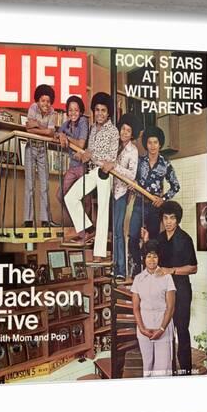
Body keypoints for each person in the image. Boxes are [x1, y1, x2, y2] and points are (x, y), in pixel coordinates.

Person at [142, 200, 198, 375]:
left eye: (172, 218)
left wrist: (171, 270)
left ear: (177, 219)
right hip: (163, 293)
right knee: (165, 332)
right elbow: (149, 257)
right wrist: (145, 241)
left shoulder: (185, 239)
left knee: (181, 330)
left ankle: (187, 371)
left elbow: (193, 268)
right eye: (165, 218)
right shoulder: (159, 239)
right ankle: (169, 371)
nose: (168, 222)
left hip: (181, 291)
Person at [64, 92, 119, 262]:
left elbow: (112, 157)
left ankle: (99, 254)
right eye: (97, 110)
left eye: (103, 110)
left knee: (102, 212)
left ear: (108, 113)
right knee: (70, 197)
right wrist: (85, 155)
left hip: (104, 172)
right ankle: (87, 229)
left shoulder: (113, 131)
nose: (100, 113)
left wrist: (104, 163)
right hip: (91, 171)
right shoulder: (93, 128)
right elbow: (89, 152)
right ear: (94, 111)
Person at [129, 125, 180, 276]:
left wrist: (163, 199)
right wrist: (132, 186)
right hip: (139, 203)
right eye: (150, 142)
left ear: (160, 144)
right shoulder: (140, 161)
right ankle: (137, 266)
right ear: (146, 144)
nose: (152, 146)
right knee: (132, 236)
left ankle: (149, 270)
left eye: (155, 142)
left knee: (152, 241)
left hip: (154, 207)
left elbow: (176, 186)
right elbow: (132, 179)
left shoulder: (166, 164)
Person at [100, 113, 142, 281]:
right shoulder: (114, 145)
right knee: (112, 231)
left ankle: (121, 269)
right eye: (123, 128)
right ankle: (115, 265)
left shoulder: (133, 150)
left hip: (121, 193)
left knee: (118, 231)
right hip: (108, 189)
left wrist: (115, 166)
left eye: (128, 130)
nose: (124, 132)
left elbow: (131, 174)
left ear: (132, 134)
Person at [131, 240, 176, 377]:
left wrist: (161, 329)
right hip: (144, 326)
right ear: (144, 258)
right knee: (148, 366)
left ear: (159, 258)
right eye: (148, 256)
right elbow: (136, 308)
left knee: (162, 369)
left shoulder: (167, 277)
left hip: (163, 325)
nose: (151, 260)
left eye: (155, 256)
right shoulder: (138, 279)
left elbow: (170, 307)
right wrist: (142, 328)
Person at [23, 84, 59, 228]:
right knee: (29, 186)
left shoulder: (53, 112)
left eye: (48, 101)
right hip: (31, 148)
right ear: (38, 101)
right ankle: (28, 220)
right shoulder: (33, 108)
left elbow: (51, 133)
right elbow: (27, 128)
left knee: (44, 186)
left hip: (43, 150)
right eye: (43, 100)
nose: (46, 104)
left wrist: (36, 125)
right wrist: (44, 129)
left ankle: (45, 220)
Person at [56, 95, 90, 222]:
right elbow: (57, 134)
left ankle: (87, 228)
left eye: (76, 110)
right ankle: (78, 221)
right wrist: (60, 134)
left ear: (80, 111)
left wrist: (66, 137)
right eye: (70, 110)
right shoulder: (66, 124)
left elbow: (80, 145)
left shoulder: (83, 122)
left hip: (83, 166)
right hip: (72, 166)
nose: (73, 113)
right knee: (60, 195)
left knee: (85, 198)